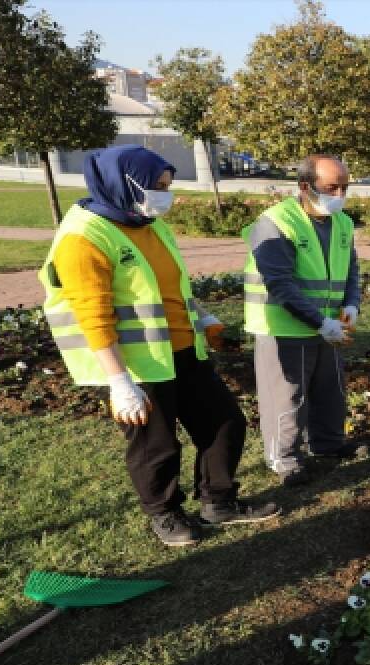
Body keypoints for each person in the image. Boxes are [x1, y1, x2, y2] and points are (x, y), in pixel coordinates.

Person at [38, 145, 279, 547]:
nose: (166, 194)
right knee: (156, 445)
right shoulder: (83, 238)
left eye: (168, 185)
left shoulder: (145, 220)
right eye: (159, 186)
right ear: (125, 183)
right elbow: (92, 317)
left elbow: (171, 289)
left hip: (183, 350)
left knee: (225, 423)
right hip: (137, 365)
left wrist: (205, 320)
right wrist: (118, 382)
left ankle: (218, 502)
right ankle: (164, 514)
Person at [242, 155, 362, 486]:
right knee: (287, 396)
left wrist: (351, 303)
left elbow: (351, 269)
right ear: (305, 186)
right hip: (283, 327)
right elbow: (280, 285)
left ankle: (328, 445)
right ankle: (284, 459)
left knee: (330, 391)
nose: (339, 194)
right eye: (331, 187)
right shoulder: (276, 222)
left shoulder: (343, 222)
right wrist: (321, 323)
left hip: (329, 326)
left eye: (345, 187)